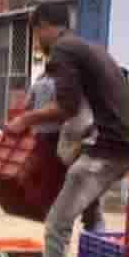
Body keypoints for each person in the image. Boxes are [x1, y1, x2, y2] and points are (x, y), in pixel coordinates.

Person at [5, 2, 129, 257]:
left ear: (45, 27)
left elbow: (67, 106)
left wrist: (25, 119)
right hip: (122, 144)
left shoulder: (63, 50)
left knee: (57, 224)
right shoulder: (89, 47)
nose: (37, 42)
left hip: (106, 150)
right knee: (92, 214)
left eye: (36, 34)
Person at [24, 59, 104, 234]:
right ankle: (90, 224)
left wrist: (29, 119)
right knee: (79, 186)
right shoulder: (82, 89)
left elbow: (28, 106)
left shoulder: (39, 84)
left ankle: (53, 212)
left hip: (48, 136)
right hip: (72, 138)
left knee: (53, 177)